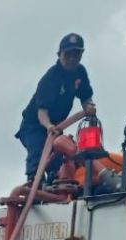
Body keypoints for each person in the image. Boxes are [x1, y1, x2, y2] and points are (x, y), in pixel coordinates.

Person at [15, 33, 95, 184]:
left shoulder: (80, 72)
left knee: (59, 158)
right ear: (59, 54)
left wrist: (89, 107)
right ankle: (34, 183)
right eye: (68, 54)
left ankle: (56, 184)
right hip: (35, 126)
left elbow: (85, 96)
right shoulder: (51, 78)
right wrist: (49, 126)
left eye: (76, 54)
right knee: (38, 152)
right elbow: (42, 113)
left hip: (56, 128)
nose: (72, 58)